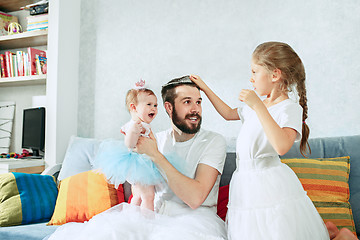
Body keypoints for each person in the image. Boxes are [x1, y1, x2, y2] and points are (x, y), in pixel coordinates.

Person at [46, 76, 227, 240]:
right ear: (169, 107)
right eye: (187, 102)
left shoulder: (213, 141)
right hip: (152, 215)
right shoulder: (155, 137)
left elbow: (195, 199)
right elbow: (134, 170)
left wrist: (155, 155)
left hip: (193, 220)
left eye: (198, 102)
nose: (196, 109)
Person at [190, 41, 330, 239]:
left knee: (273, 229)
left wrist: (258, 106)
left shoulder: (288, 108)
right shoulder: (257, 104)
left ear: (274, 75)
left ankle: (338, 234)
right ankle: (334, 232)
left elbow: (281, 146)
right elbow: (228, 113)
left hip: (268, 180)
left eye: (255, 72)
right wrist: (205, 88)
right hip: (245, 180)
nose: (251, 78)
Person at [94, 81, 160, 211]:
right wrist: (134, 131)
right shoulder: (134, 125)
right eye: (149, 104)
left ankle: (131, 218)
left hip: (144, 164)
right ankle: (148, 222)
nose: (154, 108)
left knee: (138, 196)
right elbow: (129, 144)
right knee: (148, 196)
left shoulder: (142, 124)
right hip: (140, 166)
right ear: (134, 107)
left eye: (155, 105)